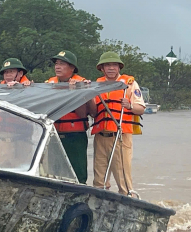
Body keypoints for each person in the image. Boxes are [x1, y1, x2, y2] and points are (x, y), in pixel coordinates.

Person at [87, 51, 146, 197]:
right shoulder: (96, 85)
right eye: (107, 65)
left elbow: (141, 109)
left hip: (120, 136)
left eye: (114, 65)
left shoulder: (130, 83)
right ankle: (99, 203)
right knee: (98, 179)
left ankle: (129, 199)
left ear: (119, 67)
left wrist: (130, 105)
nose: (111, 68)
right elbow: (93, 112)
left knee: (123, 178)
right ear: (102, 68)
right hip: (100, 137)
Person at [45, 50, 91, 183]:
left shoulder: (82, 84)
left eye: (62, 64)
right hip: (54, 135)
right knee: (53, 173)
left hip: (75, 135)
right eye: (56, 63)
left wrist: (74, 93)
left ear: (72, 68)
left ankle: (79, 199)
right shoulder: (49, 84)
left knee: (78, 173)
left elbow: (83, 114)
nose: (57, 66)